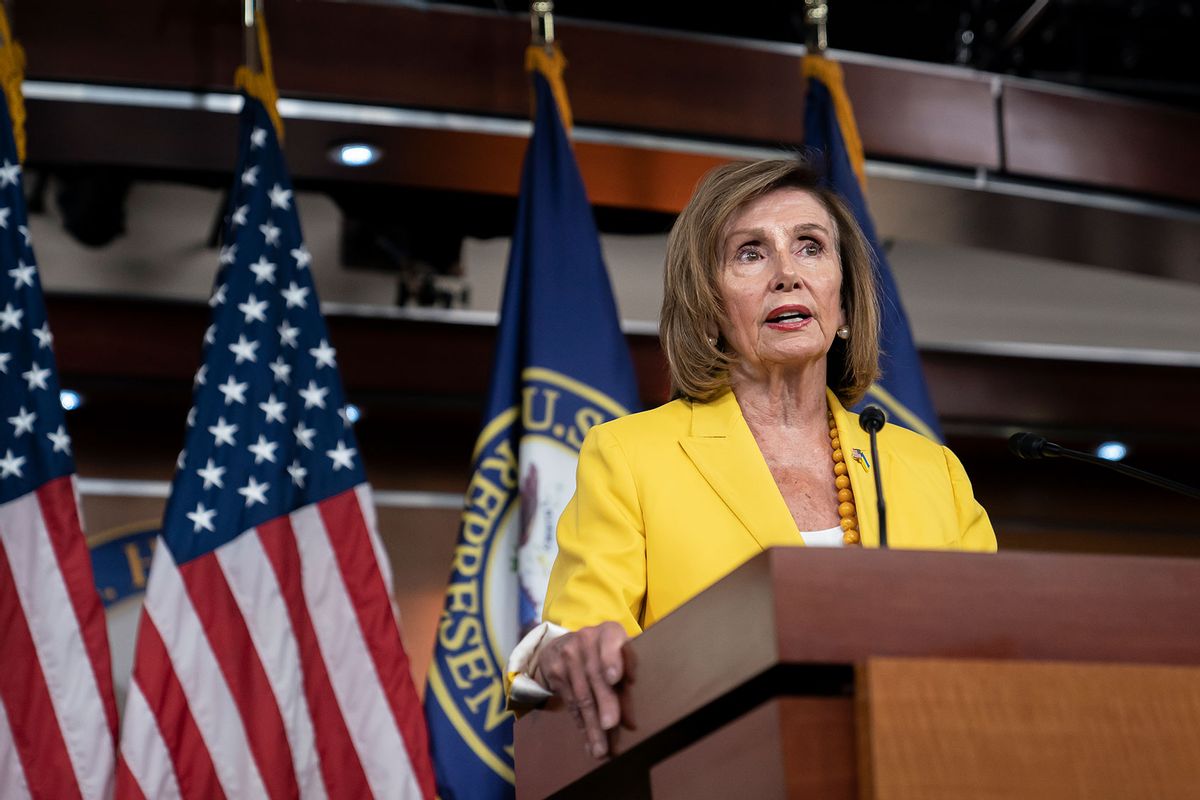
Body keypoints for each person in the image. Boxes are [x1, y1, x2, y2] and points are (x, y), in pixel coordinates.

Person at [507, 158, 996, 759]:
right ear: (710, 307)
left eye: (810, 247)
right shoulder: (633, 457)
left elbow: (997, 653)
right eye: (750, 253)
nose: (787, 274)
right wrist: (560, 652)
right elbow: (580, 635)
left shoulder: (931, 474)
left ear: (843, 305)